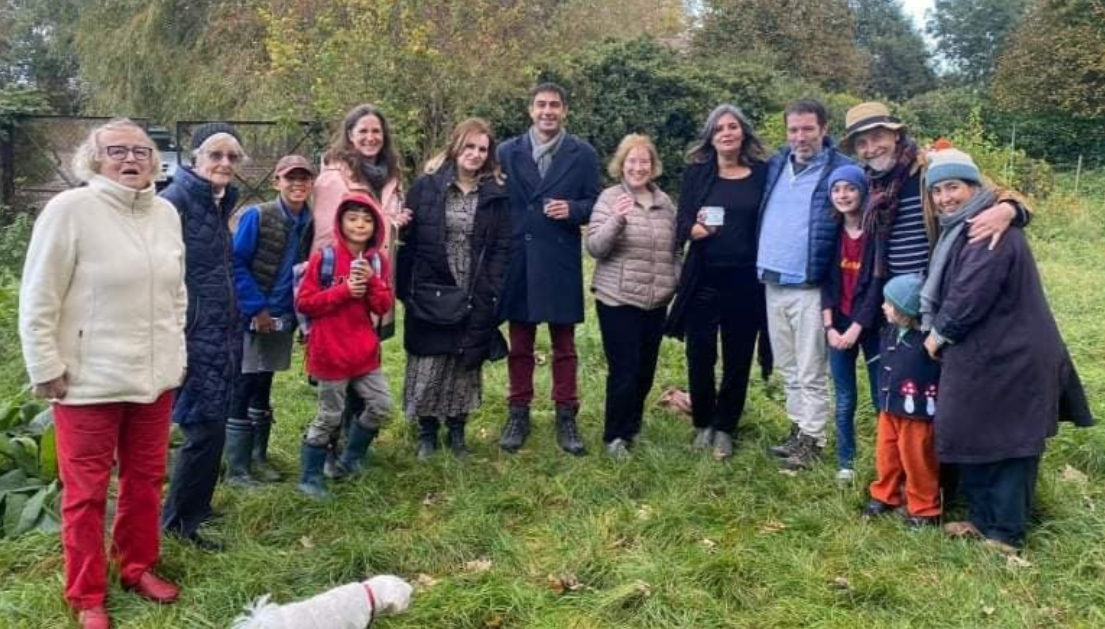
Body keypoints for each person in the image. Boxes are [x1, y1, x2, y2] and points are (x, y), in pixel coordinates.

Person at [19, 119, 186, 629]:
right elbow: (39, 294)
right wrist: (46, 366)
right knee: (86, 493)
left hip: (152, 380)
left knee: (145, 481)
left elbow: (176, 293)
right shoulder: (70, 210)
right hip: (87, 382)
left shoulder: (166, 213)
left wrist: (175, 351)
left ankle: (136, 566)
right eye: (116, 150)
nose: (130, 158)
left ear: (156, 161)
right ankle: (87, 593)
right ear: (94, 158)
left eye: (141, 150)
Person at [919, 144, 1092, 551]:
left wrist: (937, 334)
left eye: (954, 187)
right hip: (986, 350)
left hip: (1013, 352)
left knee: (1011, 442)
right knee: (971, 430)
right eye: (938, 190)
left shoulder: (989, 228)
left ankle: (1006, 532)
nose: (945, 198)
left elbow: (970, 294)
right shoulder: (962, 226)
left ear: (974, 185)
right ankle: (982, 519)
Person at [496, 82, 602, 455]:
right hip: (519, 258)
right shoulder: (507, 151)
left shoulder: (582, 153)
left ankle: (565, 413)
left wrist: (573, 210)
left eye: (554, 105)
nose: (547, 112)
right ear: (530, 110)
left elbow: (596, 201)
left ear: (565, 111)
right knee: (520, 343)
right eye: (541, 105)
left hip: (559, 258)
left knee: (564, 345)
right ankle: (518, 410)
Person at [397, 118, 511, 460]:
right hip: (434, 283)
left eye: (482, 149)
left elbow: (503, 246)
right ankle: (427, 431)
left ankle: (457, 430)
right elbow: (409, 241)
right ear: (456, 146)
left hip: (474, 286)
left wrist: (493, 286)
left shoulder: (495, 194)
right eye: (470, 147)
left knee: (465, 358)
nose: (475, 154)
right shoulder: (428, 187)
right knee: (430, 358)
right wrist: (409, 289)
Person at [663, 104, 769, 461]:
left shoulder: (762, 174)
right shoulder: (698, 173)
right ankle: (704, 421)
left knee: (738, 358)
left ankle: (726, 426)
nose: (726, 133)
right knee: (700, 355)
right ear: (710, 136)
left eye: (733, 127)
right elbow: (680, 221)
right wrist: (691, 229)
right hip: (703, 278)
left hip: (747, 280)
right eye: (719, 128)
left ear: (743, 133)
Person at [160, 122, 245, 550]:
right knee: (202, 428)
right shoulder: (173, 202)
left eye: (232, 157)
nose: (225, 163)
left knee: (215, 421)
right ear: (196, 159)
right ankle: (178, 523)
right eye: (216, 155)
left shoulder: (218, 203)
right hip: (193, 334)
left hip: (222, 331)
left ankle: (199, 505)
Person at [758, 99, 853, 470]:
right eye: (793, 129)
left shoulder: (840, 169)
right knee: (788, 366)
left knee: (812, 367)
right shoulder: (777, 164)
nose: (800, 137)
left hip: (811, 284)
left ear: (824, 129)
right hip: (771, 279)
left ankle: (814, 439)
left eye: (807, 129)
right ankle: (799, 428)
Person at [313, 104, 407, 476]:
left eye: (376, 132)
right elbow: (325, 235)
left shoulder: (392, 176)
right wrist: (333, 288)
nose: (370, 138)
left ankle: (354, 450)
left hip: (376, 288)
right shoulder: (333, 178)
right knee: (339, 377)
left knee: (363, 369)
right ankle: (329, 452)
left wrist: (393, 222)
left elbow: (382, 227)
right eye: (363, 131)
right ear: (349, 135)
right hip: (342, 292)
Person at [586, 134, 679, 459]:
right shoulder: (610, 198)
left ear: (652, 167)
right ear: (621, 165)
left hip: (656, 300)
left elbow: (674, 249)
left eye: (644, 162)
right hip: (618, 298)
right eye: (632, 161)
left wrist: (675, 280)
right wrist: (617, 220)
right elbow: (595, 247)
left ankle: (633, 426)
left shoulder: (664, 202)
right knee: (624, 370)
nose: (638, 167)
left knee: (645, 370)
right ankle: (615, 436)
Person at [224, 155, 315, 487]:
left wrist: (303, 319)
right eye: (290, 178)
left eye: (304, 178)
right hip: (254, 315)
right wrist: (256, 308)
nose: (297, 184)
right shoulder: (258, 215)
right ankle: (236, 468)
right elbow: (235, 262)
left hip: (284, 316)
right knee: (244, 383)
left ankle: (258, 457)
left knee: (264, 383)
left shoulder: (309, 221)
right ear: (277, 181)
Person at [296, 193, 394, 497]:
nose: (359, 225)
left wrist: (372, 283)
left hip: (364, 353)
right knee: (329, 416)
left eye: (366, 220)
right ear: (340, 222)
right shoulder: (323, 259)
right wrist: (344, 290)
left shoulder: (377, 261)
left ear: (375, 226)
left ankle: (351, 457)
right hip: (330, 353)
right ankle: (310, 476)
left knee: (382, 406)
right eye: (352, 218)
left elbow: (383, 305)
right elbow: (305, 302)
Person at [862, 274, 941, 528]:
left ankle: (925, 508)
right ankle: (886, 493)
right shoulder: (890, 330)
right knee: (887, 453)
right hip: (889, 406)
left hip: (917, 411)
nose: (883, 306)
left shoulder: (927, 340)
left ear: (905, 310)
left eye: (889, 303)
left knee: (917, 457)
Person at [820, 165, 882, 482]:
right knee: (844, 399)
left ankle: (887, 463)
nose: (843, 195)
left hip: (870, 326)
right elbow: (827, 283)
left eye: (850, 188)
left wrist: (856, 327)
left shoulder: (876, 234)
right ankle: (847, 462)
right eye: (836, 189)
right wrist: (830, 327)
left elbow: (876, 285)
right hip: (837, 324)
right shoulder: (832, 235)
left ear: (862, 191)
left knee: (880, 397)